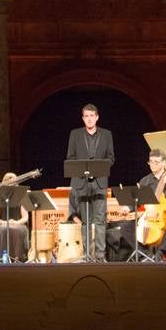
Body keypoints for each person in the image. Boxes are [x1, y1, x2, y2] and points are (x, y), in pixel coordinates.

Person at [66, 102, 114, 262]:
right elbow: (71, 158)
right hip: (81, 182)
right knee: (86, 222)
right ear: (83, 118)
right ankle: (87, 255)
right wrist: (84, 171)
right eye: (86, 116)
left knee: (100, 220)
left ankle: (100, 256)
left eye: (92, 116)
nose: (89, 119)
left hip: (99, 182)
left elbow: (111, 158)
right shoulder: (75, 134)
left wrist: (98, 169)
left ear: (97, 117)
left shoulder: (107, 134)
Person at [0, 171, 30, 262]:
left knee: (17, 229)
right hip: (3, 224)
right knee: (3, 229)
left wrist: (16, 222)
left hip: (18, 224)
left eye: (14, 183)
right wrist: (6, 222)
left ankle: (17, 257)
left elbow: (25, 217)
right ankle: (4, 257)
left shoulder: (21, 196)